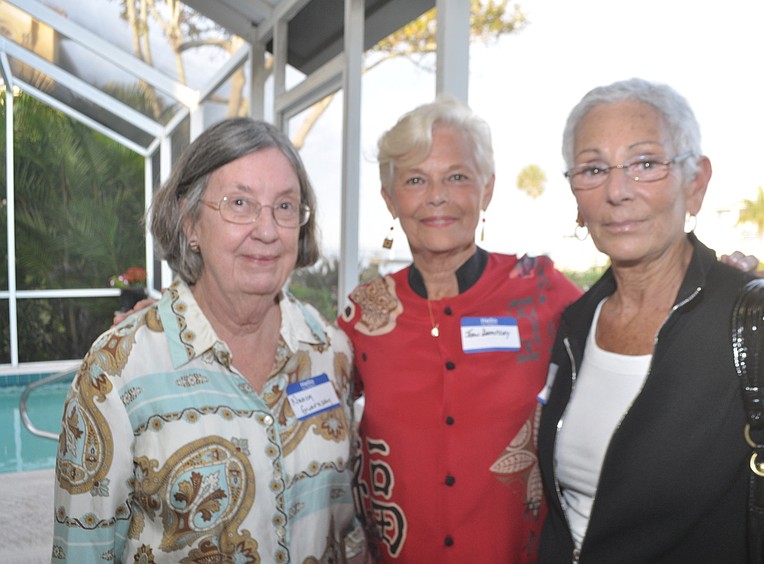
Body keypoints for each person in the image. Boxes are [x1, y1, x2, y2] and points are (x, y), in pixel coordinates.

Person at [537, 78, 764, 563]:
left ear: (696, 182)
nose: (617, 191)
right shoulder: (576, 323)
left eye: (645, 163)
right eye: (594, 168)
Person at [52, 117, 362, 563]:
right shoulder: (118, 369)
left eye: (285, 206)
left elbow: (347, 526)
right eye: (240, 203)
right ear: (190, 221)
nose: (268, 230)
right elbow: (82, 551)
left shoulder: (330, 353)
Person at [336, 97, 584, 562]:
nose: (436, 195)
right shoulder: (363, 315)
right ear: (391, 200)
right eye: (415, 180)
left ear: (486, 190)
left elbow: (626, 332)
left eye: (456, 176)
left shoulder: (540, 290)